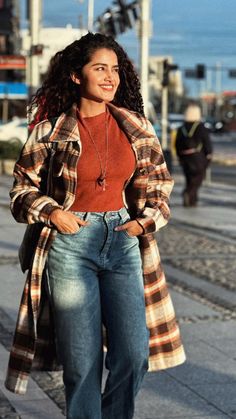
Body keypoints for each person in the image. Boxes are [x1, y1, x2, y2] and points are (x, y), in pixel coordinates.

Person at [5, 32, 185, 419]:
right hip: (71, 245)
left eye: (115, 70)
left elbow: (160, 184)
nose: (110, 78)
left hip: (122, 241)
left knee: (135, 354)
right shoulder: (50, 130)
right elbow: (21, 189)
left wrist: (145, 222)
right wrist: (54, 213)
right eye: (99, 68)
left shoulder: (136, 126)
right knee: (82, 364)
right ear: (75, 75)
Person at [175, 104, 213, 207]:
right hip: (198, 157)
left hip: (184, 157)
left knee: (189, 179)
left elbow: (177, 144)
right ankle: (188, 193)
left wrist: (179, 156)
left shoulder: (181, 128)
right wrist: (209, 154)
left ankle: (192, 200)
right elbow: (207, 142)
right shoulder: (200, 127)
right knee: (197, 179)